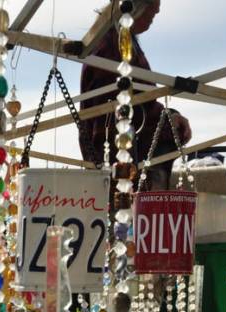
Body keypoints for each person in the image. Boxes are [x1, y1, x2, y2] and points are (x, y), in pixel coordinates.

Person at [79, 0, 192, 186]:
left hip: (118, 152)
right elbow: (120, 107)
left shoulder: (119, 42)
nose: (154, 15)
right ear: (137, 8)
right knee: (133, 203)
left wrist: (169, 116)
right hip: (117, 155)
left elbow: (140, 100)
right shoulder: (110, 47)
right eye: (152, 12)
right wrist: (166, 121)